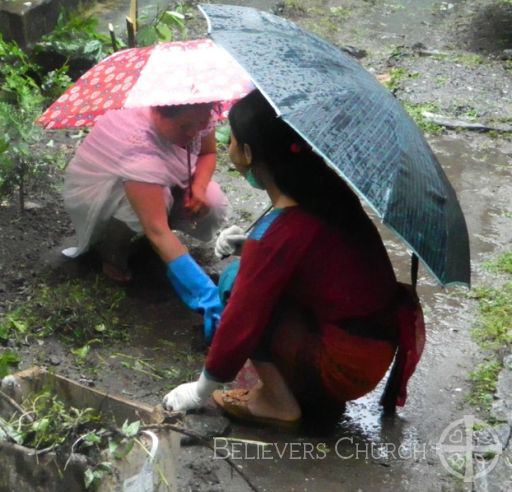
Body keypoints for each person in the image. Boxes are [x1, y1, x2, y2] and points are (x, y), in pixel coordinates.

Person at [162, 91, 425, 425]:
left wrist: (200, 390)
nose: (228, 149)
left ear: (246, 153)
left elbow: (240, 320)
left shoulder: (277, 233)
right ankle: (308, 390)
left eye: (231, 142)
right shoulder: (324, 189)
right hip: (372, 342)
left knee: (233, 281)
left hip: (346, 364)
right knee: (250, 279)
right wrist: (251, 246)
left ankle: (279, 402)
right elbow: (318, 258)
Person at [62, 103, 229, 342]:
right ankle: (109, 253)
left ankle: (161, 246)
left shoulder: (199, 111)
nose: (194, 133)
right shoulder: (136, 145)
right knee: (143, 212)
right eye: (185, 127)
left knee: (211, 201)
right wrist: (204, 293)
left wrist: (199, 186)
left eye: (201, 125)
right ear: (159, 112)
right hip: (107, 196)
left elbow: (207, 153)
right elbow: (157, 230)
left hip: (158, 182)